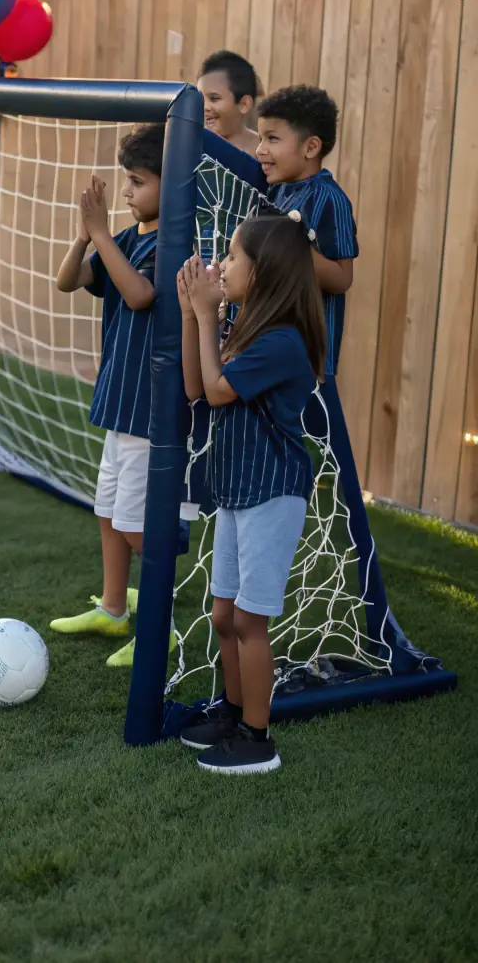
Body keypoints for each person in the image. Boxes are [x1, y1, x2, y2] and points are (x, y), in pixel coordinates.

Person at [177, 216, 325, 774]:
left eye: (233, 258)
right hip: (240, 492)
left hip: (272, 494)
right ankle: (233, 712)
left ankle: (257, 739)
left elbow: (217, 391)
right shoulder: (246, 329)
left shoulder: (283, 341)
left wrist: (204, 314)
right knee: (222, 614)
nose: (223, 265)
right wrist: (203, 318)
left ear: (261, 274)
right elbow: (198, 385)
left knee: (248, 621)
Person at [50, 125, 163, 669]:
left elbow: (141, 295)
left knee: (139, 527)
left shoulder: (174, 240)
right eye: (126, 181)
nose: (127, 192)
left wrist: (102, 235)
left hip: (151, 407)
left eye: (138, 182)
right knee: (107, 511)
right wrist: (86, 235)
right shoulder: (126, 237)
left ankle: (159, 627)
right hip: (120, 400)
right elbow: (67, 282)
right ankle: (114, 609)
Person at [255, 85, 356, 377]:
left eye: (272, 138)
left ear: (310, 147)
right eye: (261, 138)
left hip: (306, 361)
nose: (260, 149)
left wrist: (290, 248)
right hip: (270, 344)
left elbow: (342, 278)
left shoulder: (329, 198)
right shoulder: (277, 192)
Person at [197, 50, 261, 156]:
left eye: (214, 99)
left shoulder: (263, 154)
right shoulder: (190, 146)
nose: (205, 107)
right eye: (200, 99)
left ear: (244, 104)